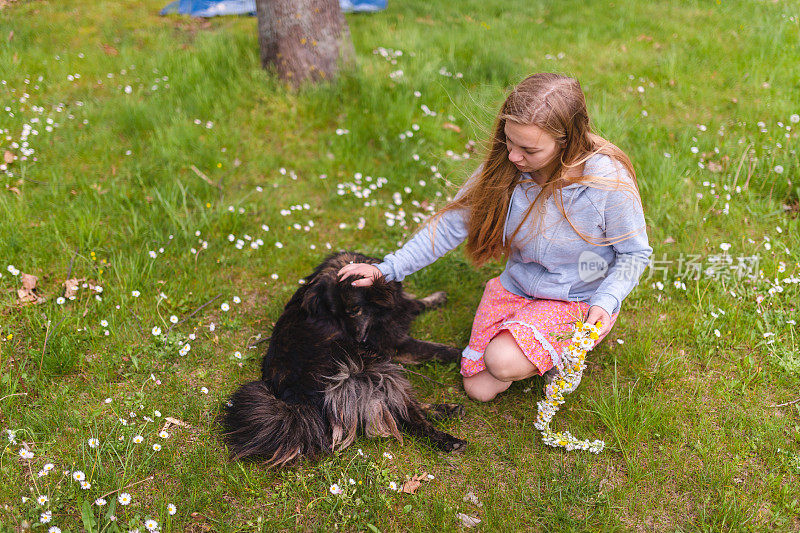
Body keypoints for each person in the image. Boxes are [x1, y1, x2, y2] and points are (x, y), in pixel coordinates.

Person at [338, 73, 653, 402]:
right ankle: (540, 345)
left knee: (500, 362)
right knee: (479, 388)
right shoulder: (507, 168)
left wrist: (606, 300)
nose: (513, 156)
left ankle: (566, 349)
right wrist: (388, 269)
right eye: (508, 141)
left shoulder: (606, 183)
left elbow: (634, 254)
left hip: (578, 298)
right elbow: (449, 226)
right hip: (518, 286)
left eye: (528, 149)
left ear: (567, 141)